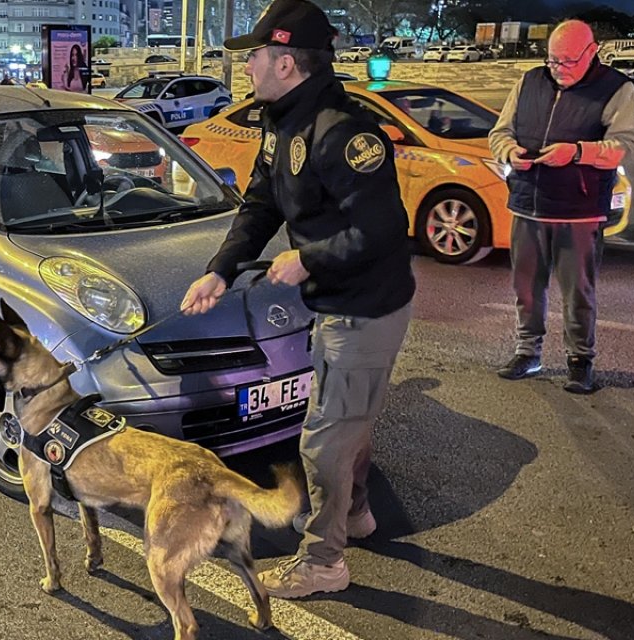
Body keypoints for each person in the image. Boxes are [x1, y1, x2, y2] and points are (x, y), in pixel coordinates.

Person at [181, 0, 414, 599]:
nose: (247, 66)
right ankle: (357, 513)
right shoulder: (282, 120)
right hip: (334, 302)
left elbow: (384, 229)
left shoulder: (344, 131)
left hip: (366, 307)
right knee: (345, 425)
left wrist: (307, 257)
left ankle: (323, 562)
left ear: (285, 62)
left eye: (254, 55)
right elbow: (260, 206)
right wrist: (220, 272)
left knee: (323, 437)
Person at [488, 20, 634, 394]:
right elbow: (499, 132)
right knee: (526, 286)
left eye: (569, 62)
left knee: (579, 291)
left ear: (592, 52)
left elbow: (628, 144)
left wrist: (576, 153)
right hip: (527, 204)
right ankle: (528, 352)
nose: (559, 69)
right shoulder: (529, 81)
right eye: (553, 61)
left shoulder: (615, 88)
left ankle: (580, 360)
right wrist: (509, 152)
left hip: (580, 209)